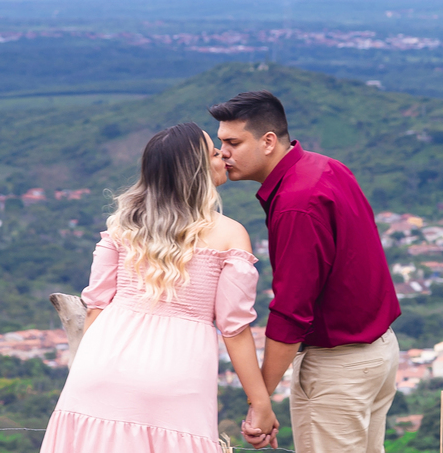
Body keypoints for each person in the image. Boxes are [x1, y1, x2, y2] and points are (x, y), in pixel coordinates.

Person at [41, 121, 279, 452]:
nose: (223, 154)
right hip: (178, 374)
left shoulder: (123, 225)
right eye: (213, 152)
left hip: (99, 366)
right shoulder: (230, 234)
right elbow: (235, 329)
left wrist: (83, 368)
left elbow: (96, 306)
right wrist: (261, 403)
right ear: (196, 169)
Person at [209, 91, 402, 453]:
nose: (223, 153)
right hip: (379, 352)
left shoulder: (296, 203)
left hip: (338, 367)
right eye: (220, 143)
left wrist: (260, 400)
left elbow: (292, 311)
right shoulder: (327, 167)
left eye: (233, 142)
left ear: (268, 142)